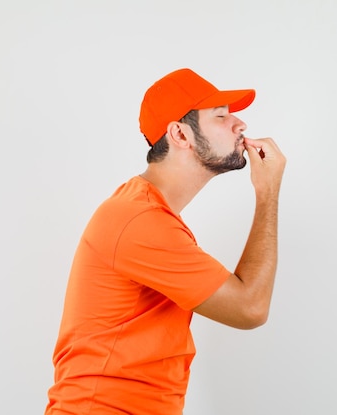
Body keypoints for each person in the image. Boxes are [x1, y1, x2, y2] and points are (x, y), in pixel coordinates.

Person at [44, 68, 286, 415]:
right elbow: (249, 308)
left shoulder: (149, 215)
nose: (240, 124)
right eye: (221, 116)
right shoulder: (139, 220)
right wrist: (268, 192)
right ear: (180, 134)